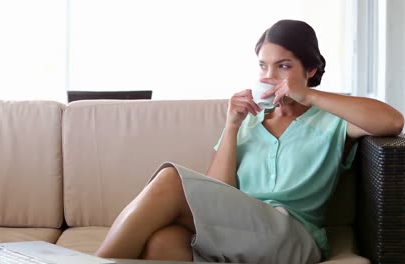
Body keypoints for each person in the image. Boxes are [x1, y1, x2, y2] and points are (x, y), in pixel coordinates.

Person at [95, 20, 404, 263]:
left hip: (293, 236)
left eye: (283, 66)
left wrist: (308, 95)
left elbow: (392, 121)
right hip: (243, 232)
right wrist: (231, 127)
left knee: (170, 180)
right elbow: (218, 192)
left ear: (309, 70)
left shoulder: (332, 119)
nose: (269, 76)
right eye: (262, 65)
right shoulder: (249, 122)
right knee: (165, 243)